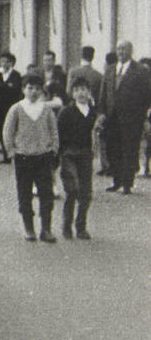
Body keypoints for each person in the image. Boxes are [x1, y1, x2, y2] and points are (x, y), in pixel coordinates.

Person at [2, 72, 59, 242]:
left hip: (43, 157)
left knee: (46, 193)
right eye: (30, 88)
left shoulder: (46, 109)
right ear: (23, 89)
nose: (33, 92)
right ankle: (29, 228)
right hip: (23, 157)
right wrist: (11, 151)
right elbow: (8, 131)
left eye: (37, 89)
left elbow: (54, 130)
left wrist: (53, 149)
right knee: (24, 193)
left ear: (42, 91)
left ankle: (46, 229)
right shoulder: (17, 109)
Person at [97, 40, 151, 194]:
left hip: (131, 119)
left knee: (129, 150)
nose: (121, 52)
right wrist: (101, 112)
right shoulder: (110, 69)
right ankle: (116, 181)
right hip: (111, 118)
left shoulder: (140, 70)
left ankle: (127, 183)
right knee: (113, 149)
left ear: (131, 51)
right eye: (119, 49)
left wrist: (142, 115)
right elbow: (103, 93)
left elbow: (147, 94)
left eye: (124, 49)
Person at [57, 77, 97, 240]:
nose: (81, 93)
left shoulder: (93, 113)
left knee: (86, 192)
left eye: (84, 89)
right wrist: (60, 155)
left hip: (86, 155)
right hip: (69, 155)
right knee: (72, 189)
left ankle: (81, 226)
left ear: (89, 92)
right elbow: (59, 134)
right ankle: (67, 225)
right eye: (77, 90)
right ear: (72, 94)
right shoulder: (66, 112)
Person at [0, 52, 23, 161]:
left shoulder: (16, 75)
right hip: (0, 107)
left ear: (11, 63)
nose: (3, 64)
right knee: (1, 130)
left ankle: (14, 151)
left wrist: (2, 86)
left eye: (6, 61)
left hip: (11, 106)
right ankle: (6, 155)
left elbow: (15, 90)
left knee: (13, 129)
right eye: (2, 61)